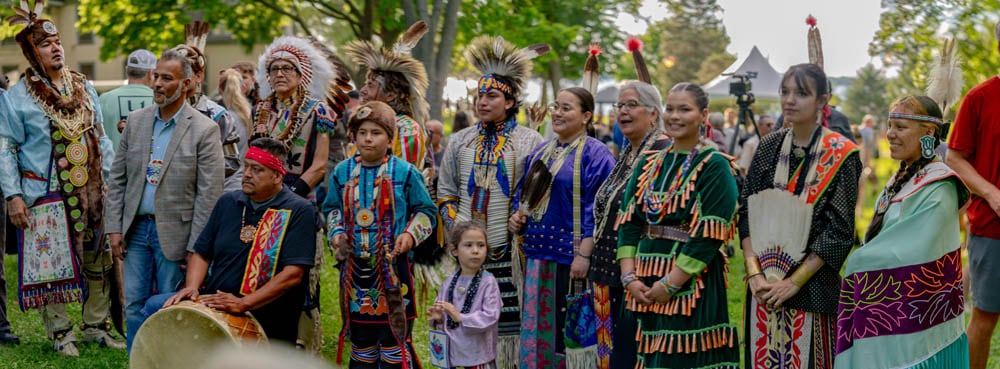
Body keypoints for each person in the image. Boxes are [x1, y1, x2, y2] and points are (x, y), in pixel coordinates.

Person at [1, 3, 124, 355]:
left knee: (98, 259)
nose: (55, 48)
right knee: (50, 264)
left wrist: (111, 182)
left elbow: (100, 137)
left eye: (57, 42)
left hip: (93, 190)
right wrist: (13, 195)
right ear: (30, 51)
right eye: (45, 44)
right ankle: (60, 332)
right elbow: (5, 148)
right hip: (44, 191)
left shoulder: (84, 87)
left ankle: (96, 326)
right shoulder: (18, 97)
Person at [740, 63, 861, 368]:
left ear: (822, 101)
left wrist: (792, 283)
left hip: (813, 288)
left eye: (801, 93)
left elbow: (839, 231)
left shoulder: (842, 153)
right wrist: (754, 274)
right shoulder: (768, 147)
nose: (789, 100)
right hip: (763, 287)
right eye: (785, 91)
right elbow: (746, 211)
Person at [104, 48, 225, 352]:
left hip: (176, 234)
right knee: (132, 304)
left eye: (166, 78)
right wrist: (114, 228)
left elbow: (208, 195)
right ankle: (138, 360)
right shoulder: (136, 121)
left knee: (170, 306)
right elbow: (117, 178)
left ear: (186, 84)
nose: (157, 83)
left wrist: (195, 247)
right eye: (156, 76)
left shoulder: (204, 130)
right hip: (136, 230)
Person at [836, 96, 969, 368]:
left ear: (929, 133)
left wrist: (861, 261)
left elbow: (917, 250)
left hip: (920, 321)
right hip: (890, 310)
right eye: (890, 125)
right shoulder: (901, 179)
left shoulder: (940, 186)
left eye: (900, 127)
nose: (890, 134)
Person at [437, 35, 546, 368]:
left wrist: (521, 221)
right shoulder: (460, 140)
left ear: (510, 101)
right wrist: (457, 231)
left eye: (492, 96)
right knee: (465, 317)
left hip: (509, 252)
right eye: (479, 95)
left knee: (507, 328)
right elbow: (447, 191)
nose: (482, 102)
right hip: (468, 252)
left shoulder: (530, 141)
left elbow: (538, 195)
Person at [615, 82, 740, 369]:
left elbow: (708, 236)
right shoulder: (648, 162)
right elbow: (629, 223)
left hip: (690, 286)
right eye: (670, 109)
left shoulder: (715, 165)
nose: (675, 116)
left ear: (703, 115)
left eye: (685, 109)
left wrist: (670, 284)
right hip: (641, 284)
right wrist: (629, 278)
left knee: (682, 359)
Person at [145, 137, 318, 344]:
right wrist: (192, 287)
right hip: (216, 305)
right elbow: (202, 252)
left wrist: (244, 303)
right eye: (246, 167)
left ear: (277, 176)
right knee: (153, 306)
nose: (246, 174)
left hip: (266, 316)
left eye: (257, 170)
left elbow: (293, 274)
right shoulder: (229, 202)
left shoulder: (298, 210)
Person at [323, 101, 437, 369]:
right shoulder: (342, 172)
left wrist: (409, 236)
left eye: (376, 133)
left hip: (394, 268)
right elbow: (331, 209)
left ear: (389, 139)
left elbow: (426, 212)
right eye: (362, 132)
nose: (368, 139)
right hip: (356, 269)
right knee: (361, 340)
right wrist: (337, 233)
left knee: (393, 339)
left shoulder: (405, 173)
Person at [508, 87, 614, 368]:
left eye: (566, 108)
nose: (556, 112)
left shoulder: (596, 154)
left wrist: (585, 254)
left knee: (570, 336)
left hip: (572, 260)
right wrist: (516, 217)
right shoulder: (543, 150)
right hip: (537, 258)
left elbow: (599, 208)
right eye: (556, 106)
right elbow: (524, 196)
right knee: (538, 331)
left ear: (586, 116)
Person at [589, 80, 672, 369]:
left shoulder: (662, 152)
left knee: (631, 351)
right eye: (619, 105)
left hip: (639, 272)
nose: (623, 111)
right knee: (610, 352)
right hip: (606, 267)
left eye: (631, 105)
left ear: (653, 113)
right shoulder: (628, 152)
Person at [945, 23, 1000, 369]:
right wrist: (991, 192)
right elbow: (954, 156)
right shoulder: (980, 98)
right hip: (992, 230)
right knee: (985, 317)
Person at [252, 36, 337, 198]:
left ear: (300, 76)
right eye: (274, 69)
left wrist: (292, 195)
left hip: (300, 195)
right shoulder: (258, 111)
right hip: (261, 192)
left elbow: (319, 165)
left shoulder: (319, 111)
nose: (280, 74)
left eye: (287, 68)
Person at [346, 21, 431, 171]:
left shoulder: (407, 129)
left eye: (371, 85)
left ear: (391, 95)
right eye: (365, 84)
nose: (363, 91)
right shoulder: (365, 124)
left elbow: (404, 181)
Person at [171, 24, 244, 192]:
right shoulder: (160, 112)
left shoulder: (217, 115)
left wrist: (197, 168)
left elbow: (232, 160)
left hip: (205, 196)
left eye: (186, 72)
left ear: (199, 76)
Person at [429, 221, 502, 369]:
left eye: (481, 245)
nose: (475, 251)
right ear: (454, 250)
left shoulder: (488, 282)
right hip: (452, 353)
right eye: (468, 245)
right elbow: (443, 314)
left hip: (478, 355)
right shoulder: (448, 283)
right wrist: (438, 319)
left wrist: (461, 317)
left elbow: (491, 316)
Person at [99, 49, 156, 148]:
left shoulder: (105, 99)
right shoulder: (160, 100)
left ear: (127, 71)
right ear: (151, 73)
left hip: (113, 163)